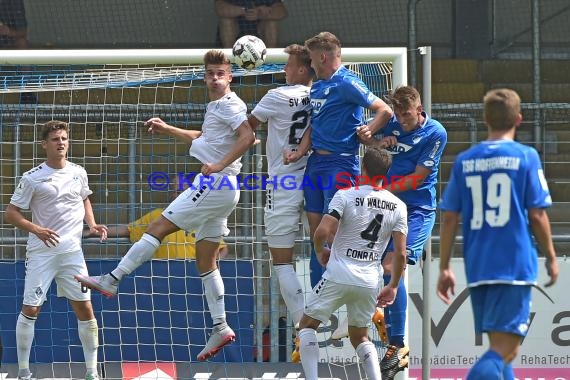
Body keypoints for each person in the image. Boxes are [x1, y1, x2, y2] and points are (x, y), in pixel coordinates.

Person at [75, 49, 256, 362]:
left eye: (220, 73)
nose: (215, 78)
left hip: (215, 182)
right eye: (211, 73)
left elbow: (248, 137)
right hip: (225, 188)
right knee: (206, 261)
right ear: (205, 76)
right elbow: (203, 137)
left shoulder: (231, 104)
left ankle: (112, 279)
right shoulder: (217, 106)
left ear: (231, 77)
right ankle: (221, 325)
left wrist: (219, 164)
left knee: (158, 227)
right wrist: (168, 128)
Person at [437, 88, 559, 380]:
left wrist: (444, 267)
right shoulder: (526, 156)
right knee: (504, 349)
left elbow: (450, 216)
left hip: (478, 266)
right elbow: (537, 213)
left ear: (484, 118)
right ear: (519, 118)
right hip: (514, 265)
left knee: (503, 351)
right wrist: (551, 257)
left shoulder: (466, 160)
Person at [5, 120, 108, 380]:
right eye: (55, 139)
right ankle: (24, 372)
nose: (60, 143)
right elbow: (11, 213)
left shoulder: (78, 172)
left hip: (73, 254)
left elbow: (84, 198)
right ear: (44, 144)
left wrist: (92, 224)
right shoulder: (31, 178)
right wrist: (36, 229)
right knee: (31, 309)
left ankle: (91, 372)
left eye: (64, 138)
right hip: (42, 253)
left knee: (85, 308)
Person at [356, 85, 447, 379]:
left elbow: (417, 179)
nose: (404, 121)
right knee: (368, 264)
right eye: (400, 115)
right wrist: (377, 142)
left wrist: (377, 191)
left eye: (408, 115)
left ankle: (397, 346)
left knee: (390, 265)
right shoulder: (391, 122)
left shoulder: (435, 133)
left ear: (419, 110)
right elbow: (366, 142)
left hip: (417, 209)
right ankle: (382, 318)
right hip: (387, 206)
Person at [297, 147, 408, 380]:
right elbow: (400, 254)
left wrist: (320, 251)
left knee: (307, 326)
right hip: (370, 280)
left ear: (362, 167)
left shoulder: (345, 195)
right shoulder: (398, 206)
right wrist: (394, 285)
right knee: (359, 336)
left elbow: (321, 231)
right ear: (387, 173)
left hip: (339, 272)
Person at [303, 31, 393, 288]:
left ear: (322, 56)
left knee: (332, 229)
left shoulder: (347, 82)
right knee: (315, 231)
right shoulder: (318, 85)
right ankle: (319, 292)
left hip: (340, 163)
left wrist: (371, 129)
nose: (310, 65)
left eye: (311, 59)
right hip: (315, 164)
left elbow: (384, 110)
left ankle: (342, 286)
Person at [247, 43, 313, 362]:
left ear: (302, 69)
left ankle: (304, 329)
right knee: (326, 250)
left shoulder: (275, 96)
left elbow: (247, 128)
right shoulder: (322, 95)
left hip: (283, 181)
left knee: (283, 261)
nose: (284, 69)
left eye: (288, 65)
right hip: (316, 180)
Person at [83, 175, 229, 259]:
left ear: (190, 194)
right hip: (162, 274)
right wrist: (94, 231)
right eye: (174, 191)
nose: (176, 195)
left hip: (192, 275)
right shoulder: (157, 216)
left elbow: (222, 249)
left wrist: (209, 268)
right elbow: (127, 230)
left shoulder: (202, 217)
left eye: (181, 191)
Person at [215, 0, 288, 48]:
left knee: (272, 23)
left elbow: (282, 12)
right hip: (236, 36)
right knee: (226, 21)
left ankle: (270, 60)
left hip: (260, 37)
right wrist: (245, 11)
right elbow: (220, 8)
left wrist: (262, 13)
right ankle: (230, 60)